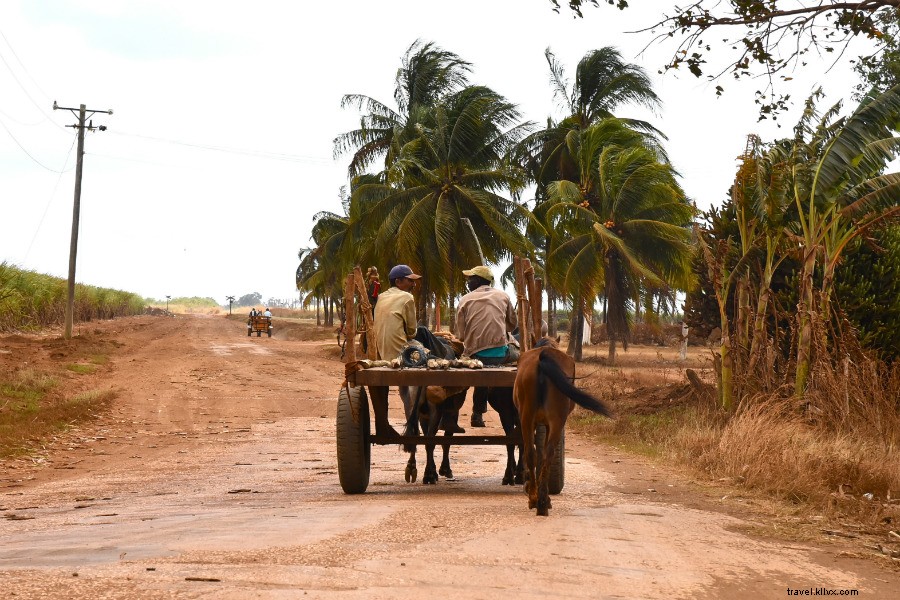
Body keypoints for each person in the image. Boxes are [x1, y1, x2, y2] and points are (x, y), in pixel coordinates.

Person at [455, 265, 518, 427]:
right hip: (502, 355)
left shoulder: (464, 299)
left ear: (478, 280)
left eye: (471, 279)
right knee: (518, 352)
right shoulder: (503, 296)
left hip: (475, 356)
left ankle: (477, 413)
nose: (468, 282)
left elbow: (460, 336)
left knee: (480, 369)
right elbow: (512, 325)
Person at [369, 264, 421, 437]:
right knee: (427, 341)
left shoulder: (381, 297)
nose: (413, 284)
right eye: (409, 281)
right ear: (398, 281)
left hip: (383, 353)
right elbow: (412, 331)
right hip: (402, 353)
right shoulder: (407, 297)